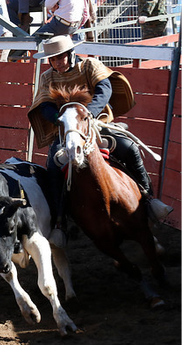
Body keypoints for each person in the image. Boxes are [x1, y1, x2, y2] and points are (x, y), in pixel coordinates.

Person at [27, 35, 173, 245]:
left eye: (61, 57)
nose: (58, 62)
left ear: (70, 54)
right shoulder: (47, 77)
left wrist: (90, 114)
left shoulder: (89, 65)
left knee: (129, 148)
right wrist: (61, 119)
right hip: (68, 130)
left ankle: (149, 201)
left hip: (97, 123)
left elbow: (105, 89)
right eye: (53, 59)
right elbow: (45, 105)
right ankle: (60, 220)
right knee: (52, 166)